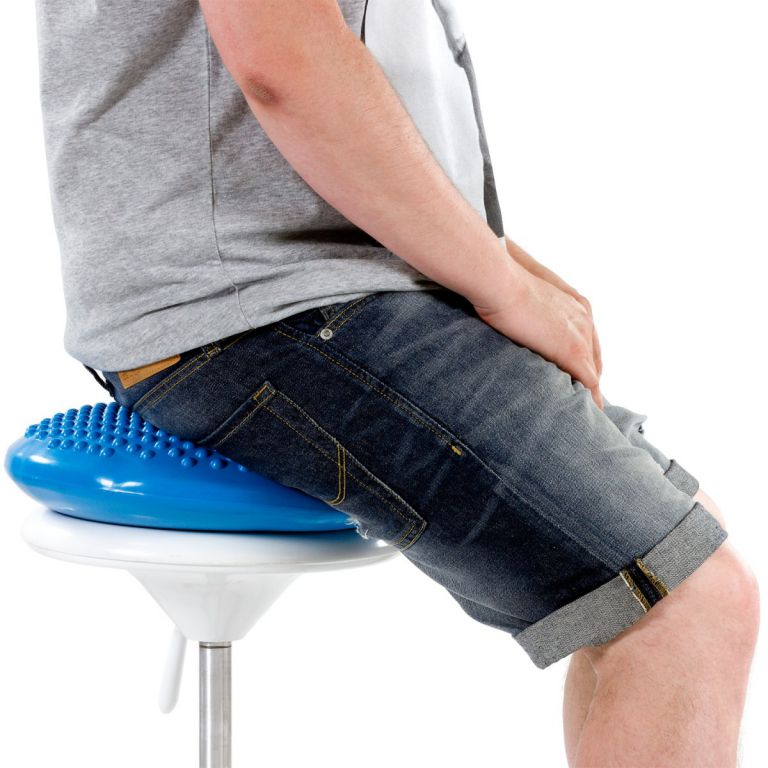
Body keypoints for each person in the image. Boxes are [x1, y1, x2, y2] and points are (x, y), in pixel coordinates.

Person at [34, 1, 758, 765]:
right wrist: (505, 289)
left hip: (292, 283)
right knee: (687, 607)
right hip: (251, 304)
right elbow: (284, 59)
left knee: (681, 551)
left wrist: (500, 264)